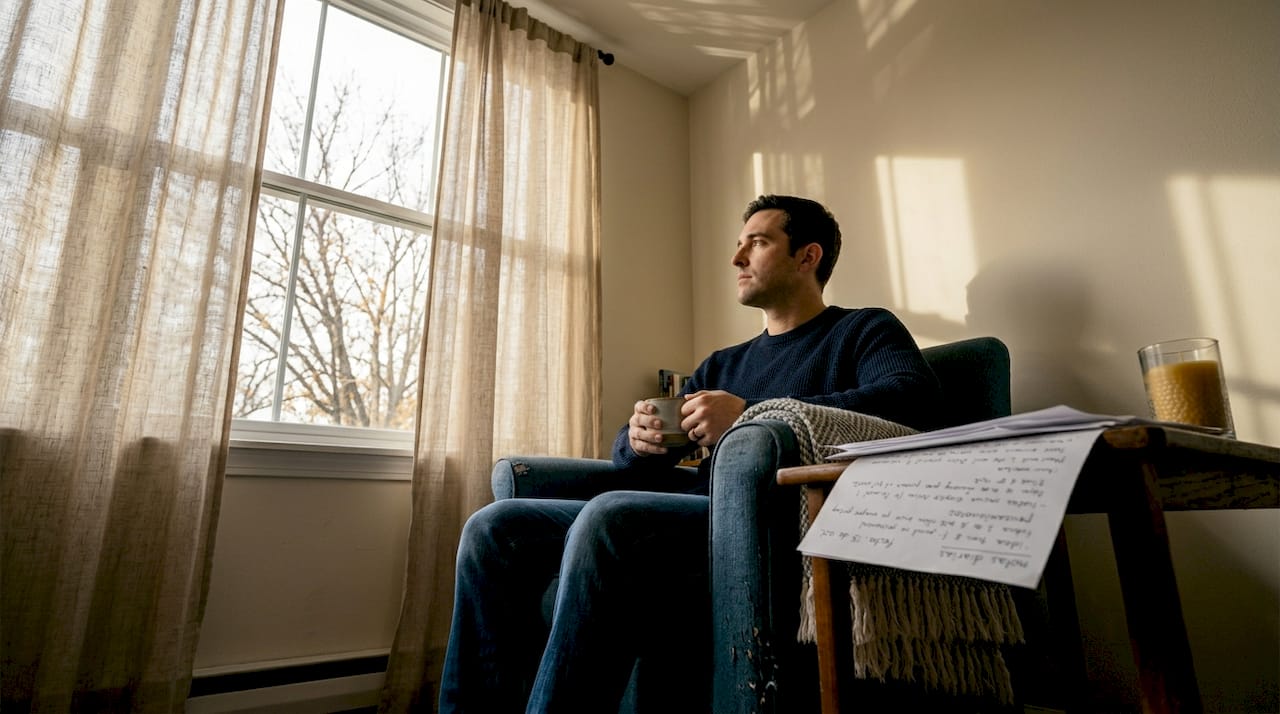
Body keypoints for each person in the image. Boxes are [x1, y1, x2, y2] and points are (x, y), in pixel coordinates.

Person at [438, 195, 943, 713]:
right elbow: (636, 466)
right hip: (694, 514)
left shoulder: (862, 331)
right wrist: (636, 440)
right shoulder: (722, 366)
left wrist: (750, 413)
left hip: (779, 521)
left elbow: (913, 402)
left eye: (759, 242)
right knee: (493, 526)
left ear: (807, 257)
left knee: (611, 517)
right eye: (739, 243)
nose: (737, 257)